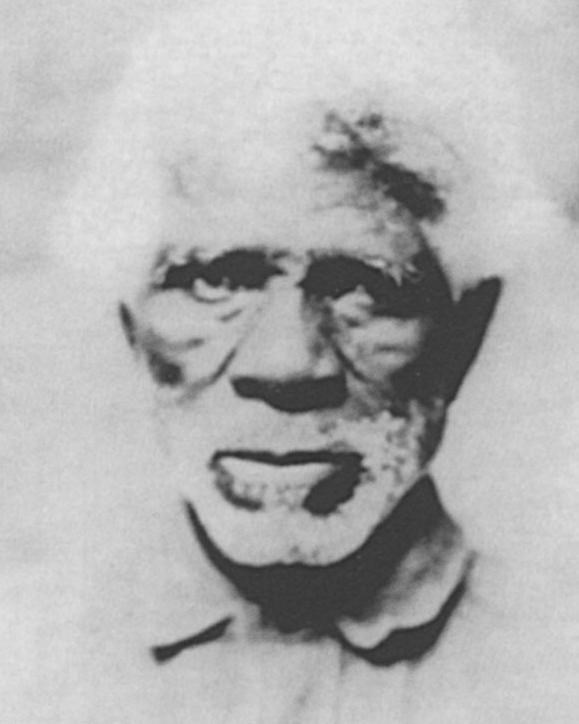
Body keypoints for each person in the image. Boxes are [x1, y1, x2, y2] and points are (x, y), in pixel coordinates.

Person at [3, 1, 579, 722]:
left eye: (364, 289)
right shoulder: (23, 657)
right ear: (132, 327)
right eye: (214, 280)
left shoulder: (561, 656)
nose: (287, 365)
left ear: (466, 336)